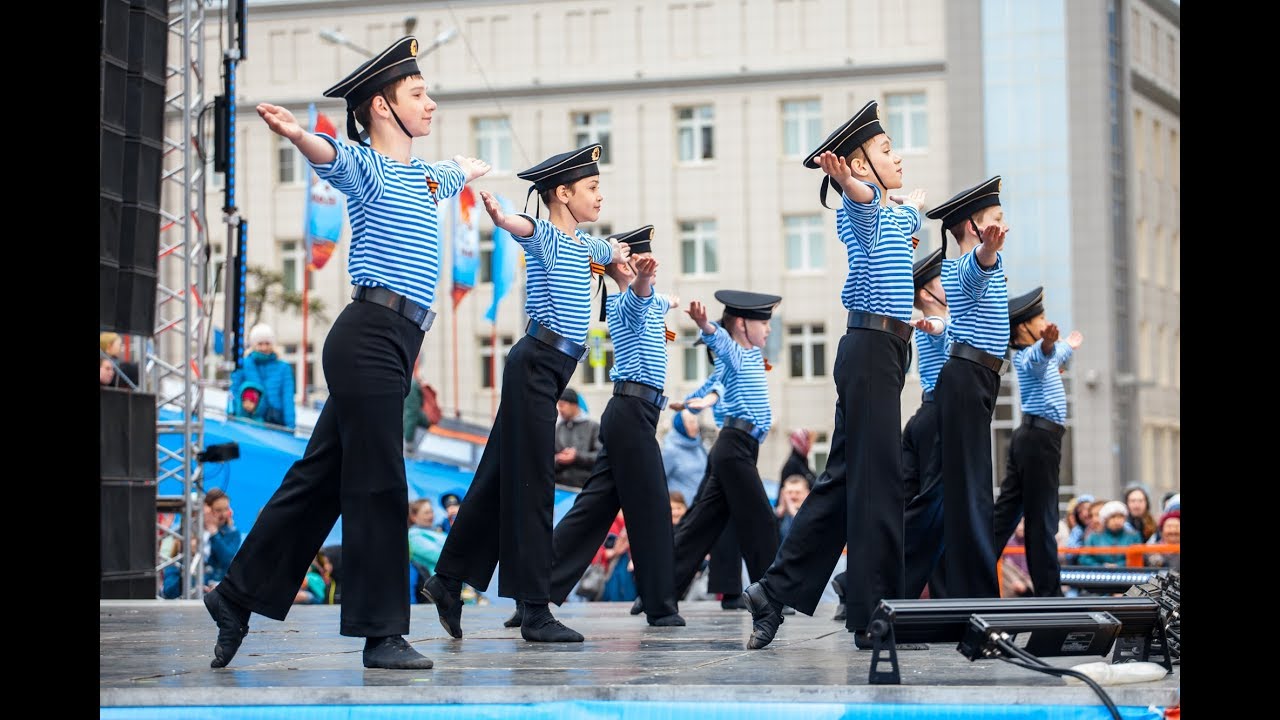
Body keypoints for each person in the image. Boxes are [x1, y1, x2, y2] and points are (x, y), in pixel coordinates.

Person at [202, 36, 491, 671]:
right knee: (381, 483)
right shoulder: (366, 164)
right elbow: (329, 155)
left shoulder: (423, 174)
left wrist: (469, 169)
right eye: (419, 94)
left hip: (395, 342)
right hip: (368, 336)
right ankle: (380, 633)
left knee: (320, 480)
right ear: (382, 107)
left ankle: (236, 595)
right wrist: (297, 136)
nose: (431, 103)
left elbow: (448, 176)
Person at [424, 143, 629, 644]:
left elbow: (613, 252)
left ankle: (448, 581)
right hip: (536, 364)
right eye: (593, 188)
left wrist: (630, 261)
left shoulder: (585, 246)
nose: (600, 196)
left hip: (548, 369)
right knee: (533, 487)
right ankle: (534, 609)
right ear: (563, 193)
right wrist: (502, 216)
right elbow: (527, 229)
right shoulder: (552, 239)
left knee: (499, 477)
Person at [744, 100, 925, 650]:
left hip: (882, 353)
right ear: (859, 165)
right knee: (877, 486)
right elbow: (865, 201)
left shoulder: (897, 215)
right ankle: (874, 613)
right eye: (886, 151)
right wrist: (849, 183)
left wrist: (911, 207)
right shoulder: (865, 209)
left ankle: (774, 593)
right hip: (871, 349)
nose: (898, 157)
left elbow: (905, 212)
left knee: (846, 481)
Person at [507, 227, 685, 629]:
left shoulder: (649, 300)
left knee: (593, 509)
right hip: (630, 412)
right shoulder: (625, 302)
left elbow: (655, 303)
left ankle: (533, 590)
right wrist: (639, 279)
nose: (650, 270)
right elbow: (641, 299)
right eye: (640, 262)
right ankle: (660, 606)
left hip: (637, 413)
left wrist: (669, 301)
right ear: (621, 267)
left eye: (650, 263)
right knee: (652, 506)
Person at [668, 291, 783, 617]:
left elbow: (713, 387)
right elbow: (719, 348)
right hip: (733, 447)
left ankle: (659, 590)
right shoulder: (733, 352)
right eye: (765, 323)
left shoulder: (751, 358)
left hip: (742, 447)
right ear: (743, 326)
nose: (769, 330)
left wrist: (694, 400)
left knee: (701, 526)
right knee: (761, 520)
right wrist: (705, 324)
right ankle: (772, 594)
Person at [926, 175, 1010, 600]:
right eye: (996, 219)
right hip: (966, 377)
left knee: (959, 491)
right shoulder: (962, 265)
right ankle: (979, 598)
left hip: (977, 379)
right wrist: (987, 249)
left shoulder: (982, 264)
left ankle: (954, 590)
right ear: (974, 228)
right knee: (973, 491)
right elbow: (977, 266)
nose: (1004, 226)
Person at [992, 287, 1083, 597]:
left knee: (1006, 513)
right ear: (1023, 328)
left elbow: (1056, 353)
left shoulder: (1043, 350)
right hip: (1039, 440)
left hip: (1032, 438)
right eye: (1039, 318)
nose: (1045, 322)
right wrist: (1047, 345)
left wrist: (1067, 345)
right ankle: (1049, 593)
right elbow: (1042, 358)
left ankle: (967, 570)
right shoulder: (1029, 354)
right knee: (1042, 517)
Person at [228, 323, 296, 430]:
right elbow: (233, 390)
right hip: (249, 420)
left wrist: (290, 426)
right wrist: (232, 413)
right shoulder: (243, 364)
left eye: (267, 343)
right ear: (254, 345)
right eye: (260, 344)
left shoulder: (284, 368)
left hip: (276, 421)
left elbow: (288, 398)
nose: (264, 348)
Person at [554, 387, 602, 490]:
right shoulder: (558, 428)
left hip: (585, 488)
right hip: (560, 487)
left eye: (562, 405)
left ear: (574, 405)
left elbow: (600, 456)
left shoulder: (593, 427)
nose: (560, 409)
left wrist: (577, 456)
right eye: (558, 405)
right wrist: (558, 458)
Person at [662, 408, 709, 504]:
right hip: (679, 510)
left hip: (698, 505)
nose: (696, 426)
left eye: (696, 421)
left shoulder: (699, 446)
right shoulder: (670, 451)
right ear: (681, 425)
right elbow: (658, 480)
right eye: (691, 422)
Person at [1080, 500, 1143, 566]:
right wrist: (1101, 566)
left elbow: (1138, 558)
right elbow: (1084, 559)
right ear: (1105, 519)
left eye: (1120, 516)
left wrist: (1119, 565)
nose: (1117, 520)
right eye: (1113, 517)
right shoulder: (1093, 538)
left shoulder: (1134, 536)